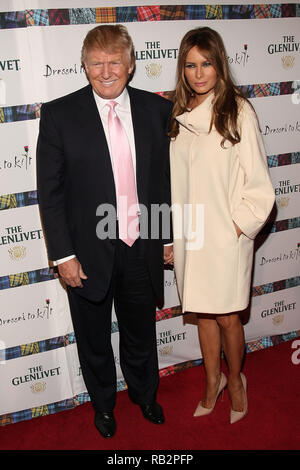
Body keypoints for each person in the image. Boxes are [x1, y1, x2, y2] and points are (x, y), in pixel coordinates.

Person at [37, 24, 173, 438]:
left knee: (140, 331)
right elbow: (51, 192)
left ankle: (144, 394)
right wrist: (63, 256)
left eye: (115, 61)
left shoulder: (156, 110)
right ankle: (103, 404)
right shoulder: (60, 114)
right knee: (93, 337)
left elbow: (165, 179)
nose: (106, 71)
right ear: (84, 66)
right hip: (85, 253)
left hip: (140, 243)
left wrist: (165, 236)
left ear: (131, 65)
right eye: (96, 63)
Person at [169, 27, 275, 424]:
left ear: (220, 65)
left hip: (227, 236)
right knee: (203, 314)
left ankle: (234, 380)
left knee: (229, 316)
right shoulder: (177, 117)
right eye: (190, 65)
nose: (198, 74)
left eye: (206, 64)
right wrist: (171, 235)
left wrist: (237, 229)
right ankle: (210, 381)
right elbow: (174, 185)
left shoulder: (238, 110)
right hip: (191, 234)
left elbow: (260, 186)